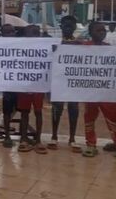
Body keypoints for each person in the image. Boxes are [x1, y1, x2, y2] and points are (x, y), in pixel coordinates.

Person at [81, 21, 116, 157]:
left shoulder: (110, 49)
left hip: (107, 92)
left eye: (103, 30)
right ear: (90, 33)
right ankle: (91, 144)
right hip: (90, 92)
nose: (102, 32)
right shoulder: (83, 48)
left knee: (113, 117)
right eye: (98, 30)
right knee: (89, 117)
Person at [48, 15, 81, 152]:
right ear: (61, 27)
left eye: (70, 26)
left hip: (73, 81)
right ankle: (54, 136)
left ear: (74, 27)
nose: (68, 28)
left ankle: (72, 138)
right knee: (57, 108)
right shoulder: (54, 43)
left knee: (73, 108)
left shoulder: (80, 44)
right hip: (58, 80)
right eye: (65, 25)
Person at [16, 25, 46, 154]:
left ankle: (38, 139)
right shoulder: (20, 48)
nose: (33, 36)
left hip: (38, 84)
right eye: (30, 33)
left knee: (38, 112)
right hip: (24, 84)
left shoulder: (45, 47)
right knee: (24, 112)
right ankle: (23, 139)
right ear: (25, 35)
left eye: (36, 33)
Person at [0, 23, 18, 148]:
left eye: (12, 32)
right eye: (7, 32)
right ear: (2, 34)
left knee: (19, 108)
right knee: (7, 110)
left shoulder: (21, 45)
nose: (10, 34)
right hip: (6, 83)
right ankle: (6, 135)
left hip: (20, 82)